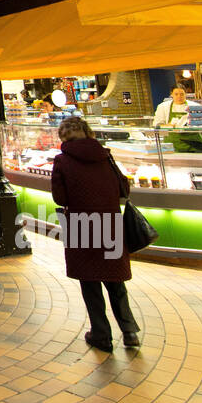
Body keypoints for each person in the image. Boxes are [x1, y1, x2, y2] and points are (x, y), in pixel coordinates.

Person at [50, 115, 140, 351]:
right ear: (87, 132)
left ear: (63, 135)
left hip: (81, 225)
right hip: (110, 222)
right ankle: (129, 330)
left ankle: (101, 334)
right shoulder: (105, 155)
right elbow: (124, 187)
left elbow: (60, 197)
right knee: (116, 281)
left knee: (90, 282)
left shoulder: (62, 161)